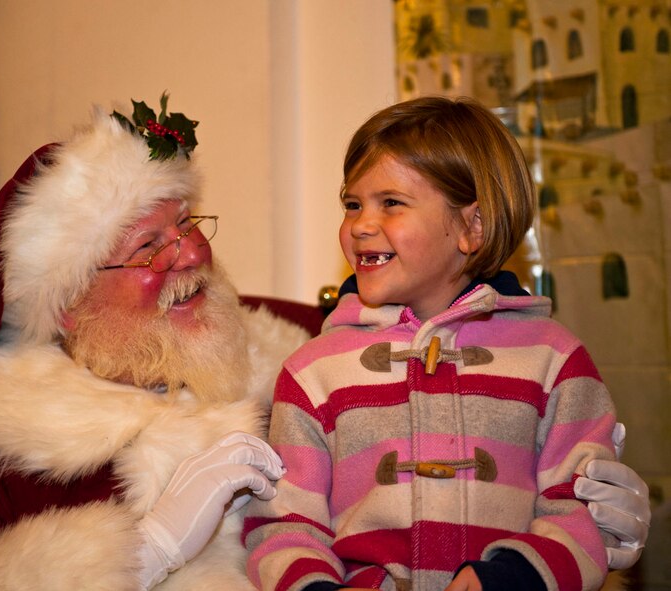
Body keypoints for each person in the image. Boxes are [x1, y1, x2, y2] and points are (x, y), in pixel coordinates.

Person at [0, 95, 648, 591]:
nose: (191, 256)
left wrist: (588, 531)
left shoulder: (287, 348)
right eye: (148, 247)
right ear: (68, 302)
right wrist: (143, 550)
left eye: (187, 226)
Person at [243, 96, 648, 591]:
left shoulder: (554, 359)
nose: (360, 225)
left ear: (471, 226)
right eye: (353, 204)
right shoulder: (313, 371)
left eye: (390, 202)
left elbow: (580, 511)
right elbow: (285, 526)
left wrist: (509, 578)